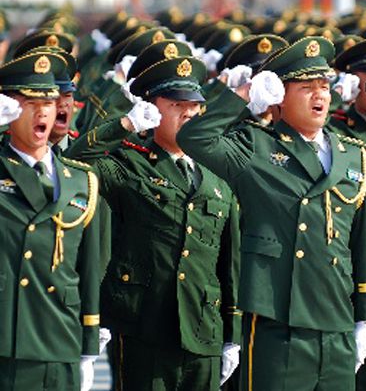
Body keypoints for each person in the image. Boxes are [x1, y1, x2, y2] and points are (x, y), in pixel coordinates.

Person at [176, 36, 366, 391]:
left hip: (337, 319)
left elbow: (358, 242)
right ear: (280, 96)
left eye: (324, 86)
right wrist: (243, 95)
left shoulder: (352, 155)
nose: (319, 96)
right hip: (279, 319)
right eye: (306, 88)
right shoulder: (256, 147)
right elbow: (195, 137)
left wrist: (363, 316)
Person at [67, 50, 242, 391]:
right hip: (144, 329)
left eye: (194, 105)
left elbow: (228, 262)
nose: (188, 112)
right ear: (152, 109)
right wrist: (124, 125)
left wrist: (231, 335)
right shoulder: (130, 164)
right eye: (176, 104)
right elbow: (75, 163)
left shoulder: (217, 171)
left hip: (203, 330)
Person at [0, 51, 101, 390]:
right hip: (7, 343)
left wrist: (88, 347)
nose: (43, 111)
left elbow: (87, 272)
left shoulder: (81, 181)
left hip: (59, 341)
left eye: (49, 102)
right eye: (30, 103)